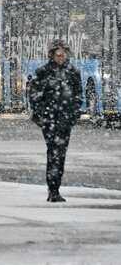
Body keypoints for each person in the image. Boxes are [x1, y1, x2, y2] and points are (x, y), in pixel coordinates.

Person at [29, 40, 82, 202]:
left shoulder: (73, 72)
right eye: (58, 55)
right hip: (49, 119)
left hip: (65, 120)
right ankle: (53, 189)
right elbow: (34, 95)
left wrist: (74, 113)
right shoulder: (43, 72)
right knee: (53, 152)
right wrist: (42, 114)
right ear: (52, 55)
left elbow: (78, 95)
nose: (61, 57)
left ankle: (56, 188)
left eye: (63, 54)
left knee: (61, 154)